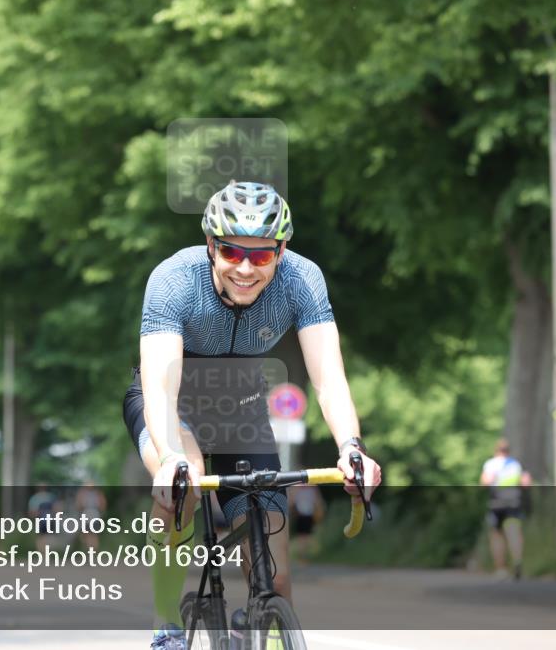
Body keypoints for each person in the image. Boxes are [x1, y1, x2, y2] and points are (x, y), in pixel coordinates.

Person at [122, 181, 382, 649]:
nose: (245, 268)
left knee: (276, 578)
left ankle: (259, 620)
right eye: (231, 252)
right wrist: (171, 459)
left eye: (261, 256)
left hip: (239, 407)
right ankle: (165, 624)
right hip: (170, 403)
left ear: (281, 250)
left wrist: (351, 447)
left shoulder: (302, 280)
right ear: (210, 244)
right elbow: (161, 388)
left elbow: (329, 379)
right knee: (186, 480)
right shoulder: (173, 279)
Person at [480, 438, 532, 580]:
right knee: (514, 532)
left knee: (497, 535)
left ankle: (501, 569)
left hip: (496, 504)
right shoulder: (515, 464)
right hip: (513, 503)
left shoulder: (491, 464)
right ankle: (517, 561)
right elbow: (526, 482)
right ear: (508, 451)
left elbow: (485, 482)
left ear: (496, 450)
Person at [289, 484, 325, 561]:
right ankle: (303, 555)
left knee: (304, 536)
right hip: (303, 515)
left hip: (308, 515)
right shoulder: (308, 489)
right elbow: (318, 501)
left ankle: (304, 555)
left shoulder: (311, 489)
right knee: (304, 536)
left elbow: (292, 501)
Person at [74, 481, 107, 550]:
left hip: (87, 514)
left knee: (88, 534)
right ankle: (93, 551)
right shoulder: (97, 493)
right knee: (93, 534)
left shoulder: (83, 494)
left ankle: (91, 550)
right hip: (95, 514)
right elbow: (103, 505)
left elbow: (78, 505)